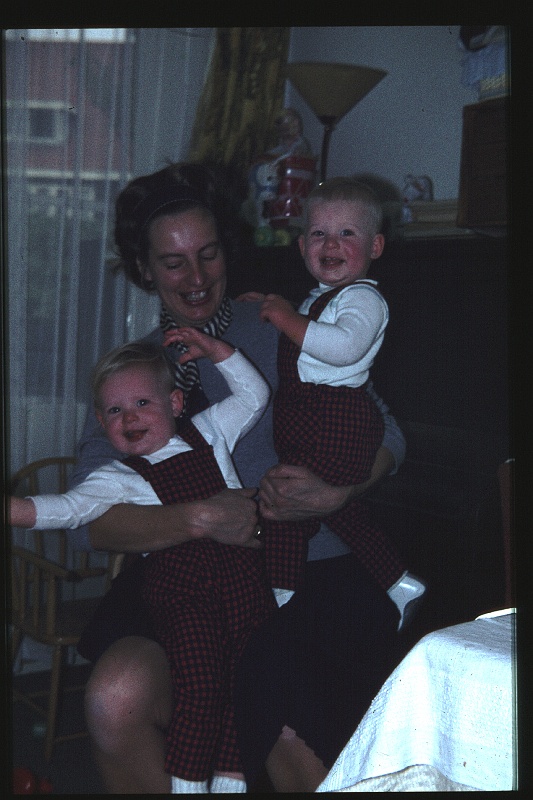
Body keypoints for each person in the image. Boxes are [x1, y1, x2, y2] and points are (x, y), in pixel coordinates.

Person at [68, 162, 406, 793]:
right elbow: (91, 519)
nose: (197, 278)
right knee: (115, 696)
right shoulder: (131, 374)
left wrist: (340, 490)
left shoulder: (278, 325)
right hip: (182, 583)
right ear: (144, 269)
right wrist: (198, 519)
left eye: (209, 254)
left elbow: (386, 430)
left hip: (307, 574)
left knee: (282, 718)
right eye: (173, 263)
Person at [10, 335, 278, 793]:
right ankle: (188, 783)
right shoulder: (115, 478)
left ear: (175, 403)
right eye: (114, 410)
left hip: (244, 581)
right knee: (200, 680)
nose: (129, 417)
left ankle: (230, 779)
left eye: (141, 403)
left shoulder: (210, 430)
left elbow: (254, 395)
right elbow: (66, 509)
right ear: (101, 423)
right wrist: (13, 510)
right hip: (182, 591)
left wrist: (219, 352)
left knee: (247, 676)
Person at [243, 178, 426, 626]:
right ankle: (398, 583)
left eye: (347, 233)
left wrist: (285, 318)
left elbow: (342, 347)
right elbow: (311, 330)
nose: (331, 244)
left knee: (284, 506)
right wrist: (269, 305)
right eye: (319, 233)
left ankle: (282, 594)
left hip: (335, 419)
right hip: (315, 418)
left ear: (375, 246)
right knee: (334, 512)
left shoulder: (365, 297)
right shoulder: (324, 297)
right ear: (302, 246)